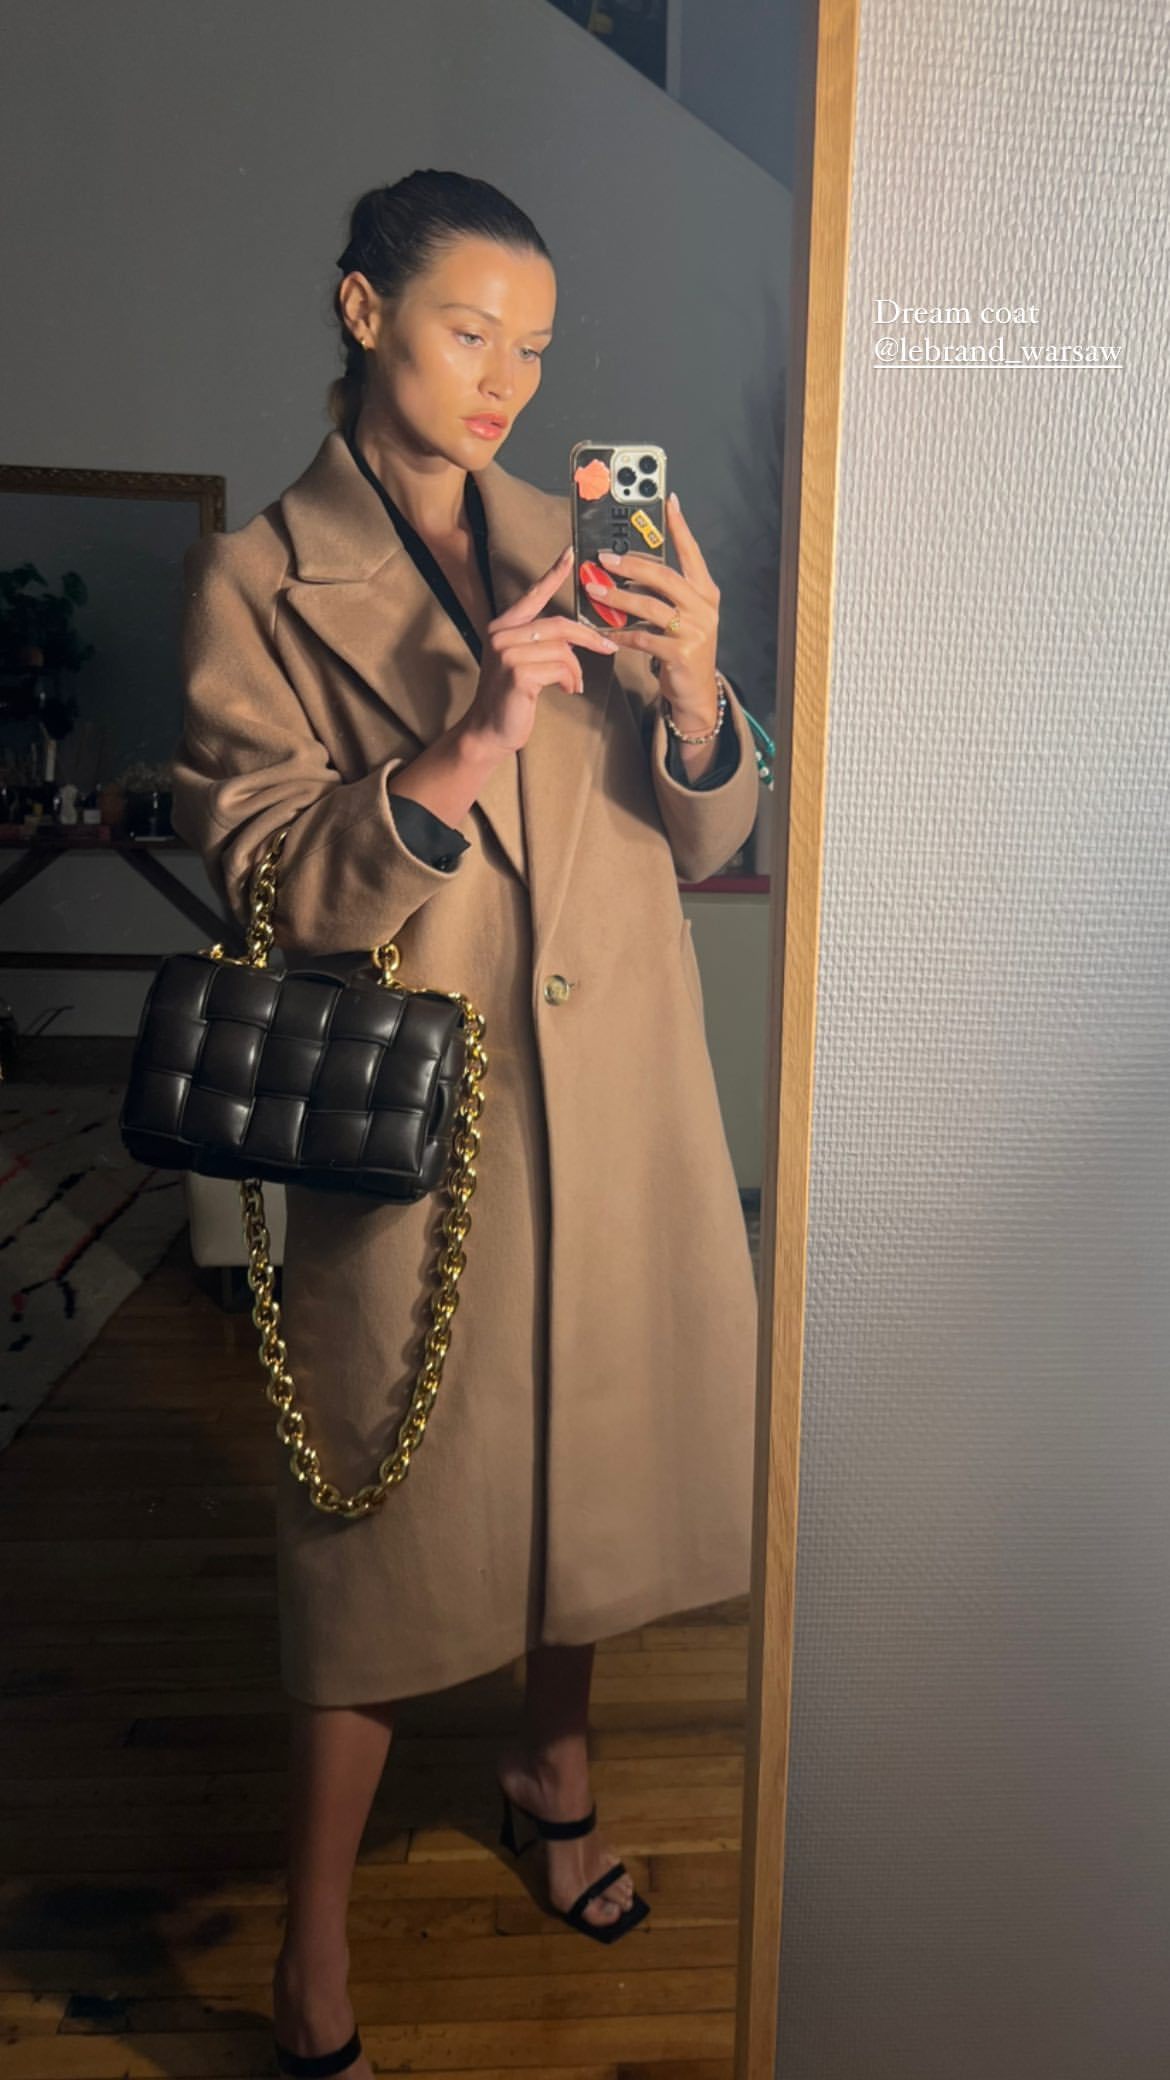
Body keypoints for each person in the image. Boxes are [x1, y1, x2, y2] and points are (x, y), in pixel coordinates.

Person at [170, 170, 762, 2079]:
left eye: (535, 346)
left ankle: (552, 1780)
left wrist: (695, 696)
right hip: (424, 1122)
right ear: (362, 313)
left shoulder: (584, 541)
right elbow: (270, 885)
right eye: (465, 330)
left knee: (590, 1475)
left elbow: (706, 830)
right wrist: (467, 743)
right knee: (372, 1540)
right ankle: (312, 1949)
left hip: (621, 1092)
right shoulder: (256, 580)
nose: (506, 378)